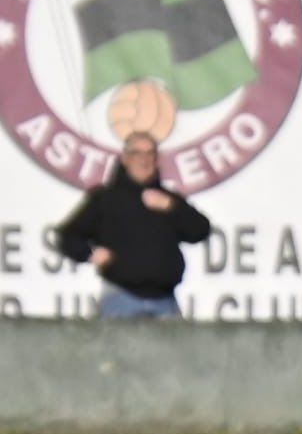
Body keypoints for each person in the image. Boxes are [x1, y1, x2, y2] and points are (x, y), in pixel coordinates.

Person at [56, 132, 211, 319]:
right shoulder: (106, 199)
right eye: (137, 153)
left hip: (165, 300)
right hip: (120, 298)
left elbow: (200, 230)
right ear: (125, 159)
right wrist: (89, 254)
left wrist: (171, 207)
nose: (144, 160)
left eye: (150, 154)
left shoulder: (168, 200)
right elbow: (68, 236)